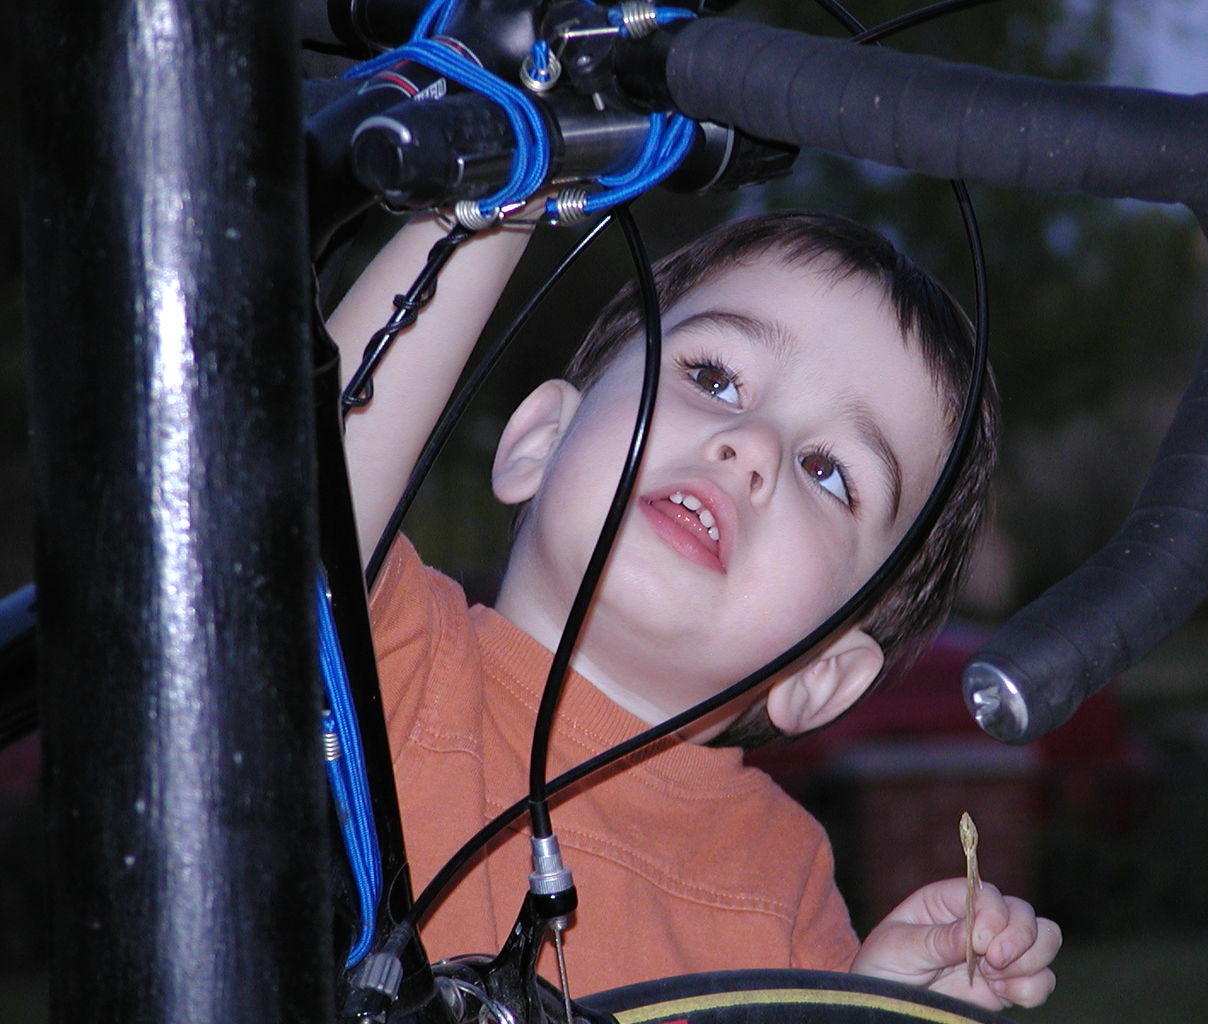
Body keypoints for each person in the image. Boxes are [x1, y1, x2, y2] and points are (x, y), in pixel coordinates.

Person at [329, 207, 1060, 1010]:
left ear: (821, 675)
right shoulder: (385, 650)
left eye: (826, 471)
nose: (752, 446)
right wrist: (492, 186)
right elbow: (291, 480)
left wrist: (867, 1005)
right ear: (540, 439)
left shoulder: (783, 887)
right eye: (713, 378)